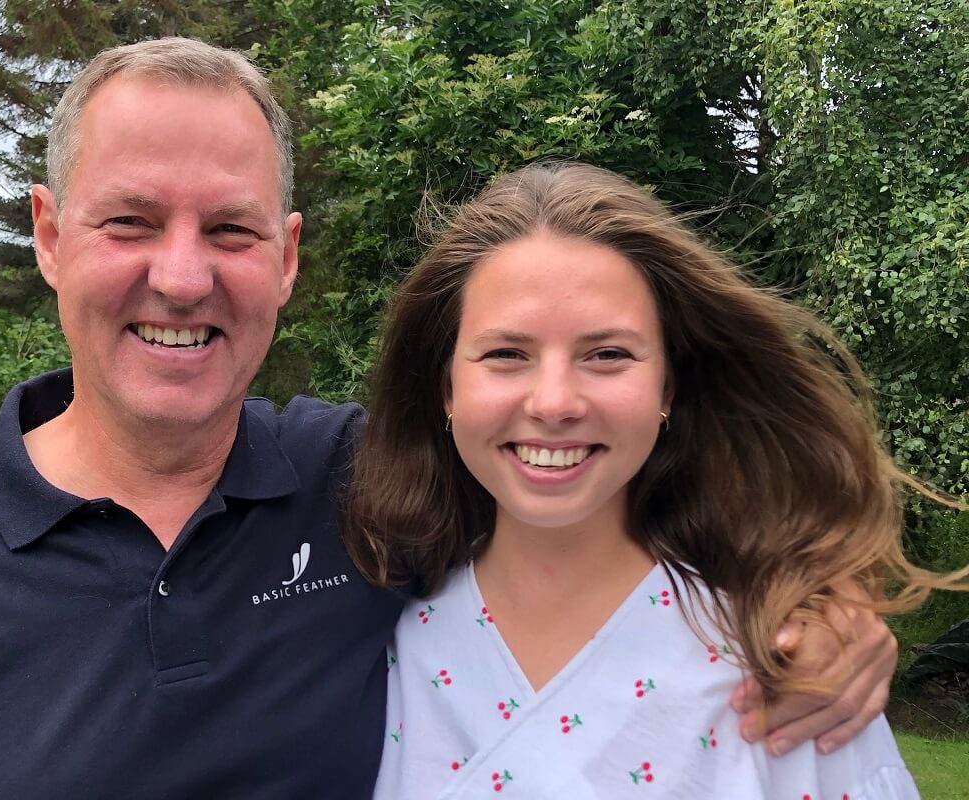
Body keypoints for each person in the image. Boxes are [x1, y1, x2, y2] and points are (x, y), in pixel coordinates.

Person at [0, 39, 899, 799]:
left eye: (229, 230)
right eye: (130, 220)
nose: (181, 278)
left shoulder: (370, 486)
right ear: (48, 233)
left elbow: (588, 454)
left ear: (285, 255)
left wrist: (819, 597)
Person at [346, 162, 967, 798]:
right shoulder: (367, 648)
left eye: (608, 354)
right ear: (446, 387)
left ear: (667, 386)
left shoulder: (791, 674)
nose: (554, 402)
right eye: (506, 354)